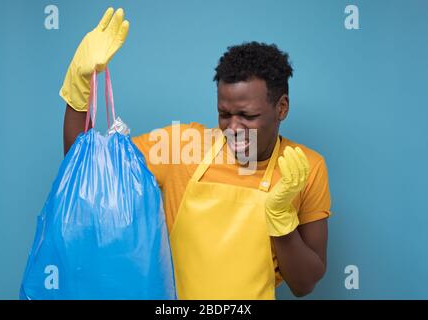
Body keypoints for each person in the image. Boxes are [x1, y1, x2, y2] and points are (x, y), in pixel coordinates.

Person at [61, 8, 331, 299]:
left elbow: (304, 285)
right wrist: (80, 88)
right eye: (224, 114)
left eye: (247, 115)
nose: (233, 127)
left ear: (282, 107)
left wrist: (281, 220)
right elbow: (87, 174)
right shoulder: (180, 147)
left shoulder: (306, 168)